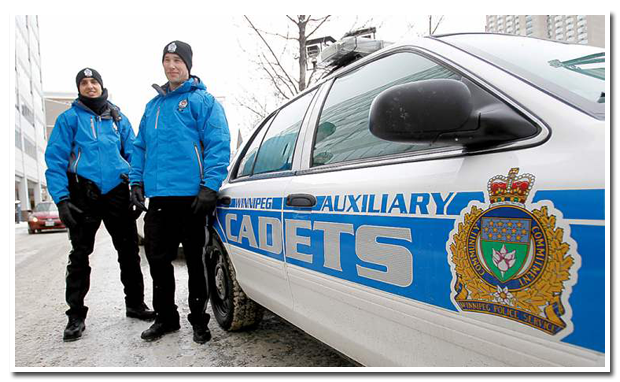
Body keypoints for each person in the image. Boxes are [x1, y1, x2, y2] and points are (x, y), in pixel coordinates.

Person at [129, 41, 231, 344]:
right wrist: (136, 182)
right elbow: (140, 147)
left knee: (196, 263)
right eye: (167, 60)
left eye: (178, 60)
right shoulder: (153, 107)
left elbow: (218, 144)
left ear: (188, 65)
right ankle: (166, 319)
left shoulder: (203, 101)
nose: (172, 66)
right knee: (158, 261)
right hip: (159, 198)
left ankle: (199, 320)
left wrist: (209, 187)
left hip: (192, 198)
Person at [45, 68, 155, 342]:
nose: (90, 86)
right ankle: (76, 315)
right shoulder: (69, 119)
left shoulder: (118, 118)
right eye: (84, 83)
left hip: (117, 191)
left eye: (94, 81)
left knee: (129, 251)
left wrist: (136, 187)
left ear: (101, 85)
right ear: (79, 88)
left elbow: (134, 151)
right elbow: (56, 160)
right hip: (85, 193)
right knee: (80, 254)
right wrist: (62, 200)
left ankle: (135, 304)